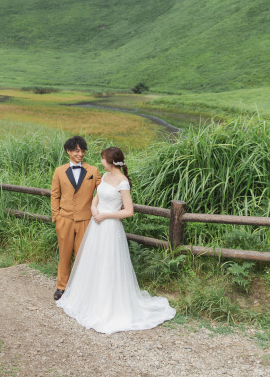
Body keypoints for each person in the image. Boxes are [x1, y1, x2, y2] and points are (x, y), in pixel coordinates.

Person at [56, 146, 176, 333]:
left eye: (103, 159)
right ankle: (89, 299)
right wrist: (95, 210)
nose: (101, 161)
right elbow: (97, 198)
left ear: (111, 162)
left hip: (110, 227)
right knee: (94, 261)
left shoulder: (122, 182)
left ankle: (108, 304)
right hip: (96, 225)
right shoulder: (104, 177)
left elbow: (128, 211)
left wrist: (105, 216)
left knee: (108, 263)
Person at [50, 135, 101, 301]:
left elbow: (103, 192)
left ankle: (82, 288)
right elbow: (55, 195)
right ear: (68, 151)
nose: (80, 154)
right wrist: (56, 216)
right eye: (76, 150)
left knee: (83, 255)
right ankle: (61, 287)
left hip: (86, 219)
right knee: (64, 254)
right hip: (64, 219)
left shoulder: (93, 171)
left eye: (83, 150)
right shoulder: (59, 171)